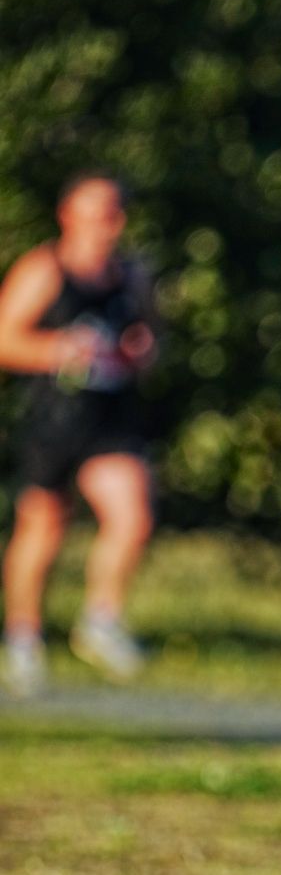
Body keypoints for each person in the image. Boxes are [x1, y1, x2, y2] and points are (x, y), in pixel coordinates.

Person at [0, 172, 158, 696]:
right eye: (93, 212)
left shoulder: (130, 275)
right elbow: (4, 340)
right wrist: (56, 351)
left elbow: (148, 341)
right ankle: (23, 640)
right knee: (42, 528)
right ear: (67, 214)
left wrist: (139, 353)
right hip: (54, 419)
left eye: (113, 213)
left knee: (132, 515)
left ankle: (100, 618)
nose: (105, 225)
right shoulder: (44, 270)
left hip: (109, 418)